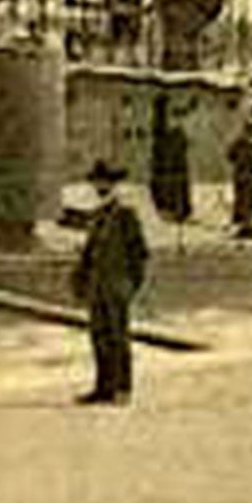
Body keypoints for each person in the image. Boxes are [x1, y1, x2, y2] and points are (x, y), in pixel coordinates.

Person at [70, 159, 149, 405]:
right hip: (98, 285)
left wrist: (131, 284)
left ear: (113, 183)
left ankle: (122, 388)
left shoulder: (125, 213)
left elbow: (139, 253)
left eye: (103, 181)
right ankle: (103, 387)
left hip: (116, 284)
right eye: (97, 181)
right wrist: (81, 279)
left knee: (118, 337)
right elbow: (90, 252)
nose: (99, 185)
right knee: (99, 336)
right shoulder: (100, 213)